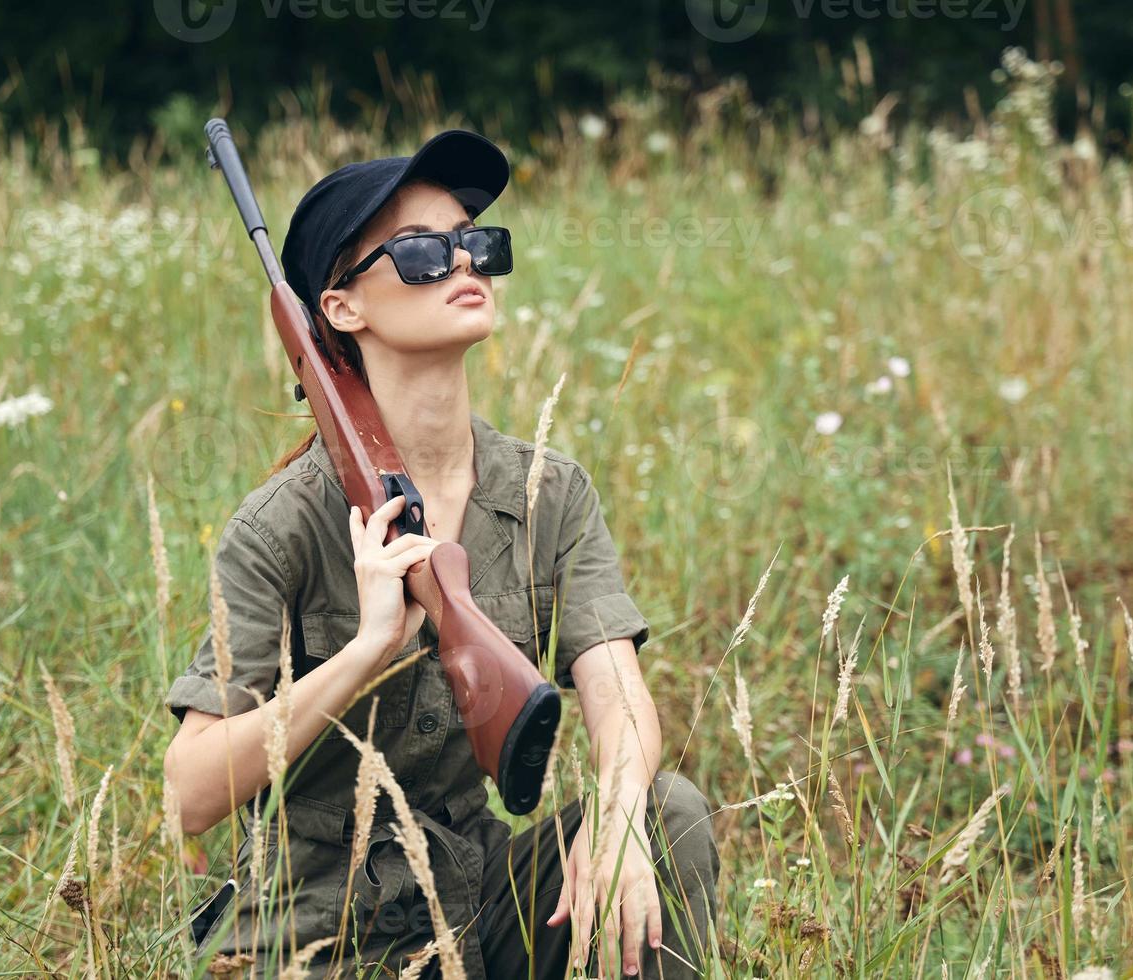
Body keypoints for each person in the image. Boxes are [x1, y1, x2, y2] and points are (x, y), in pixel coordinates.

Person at [161, 128, 720, 979]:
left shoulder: (548, 492)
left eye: (476, 244)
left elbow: (620, 699)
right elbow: (190, 793)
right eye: (422, 251)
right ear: (341, 308)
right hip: (321, 933)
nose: (462, 263)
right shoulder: (280, 526)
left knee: (666, 810)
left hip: (478, 895)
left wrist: (617, 814)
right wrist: (366, 650)